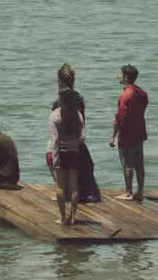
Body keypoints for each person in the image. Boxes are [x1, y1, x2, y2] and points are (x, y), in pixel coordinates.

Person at [47, 63, 101, 203]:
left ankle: (66, 195)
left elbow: (55, 125)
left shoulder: (59, 101)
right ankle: (84, 193)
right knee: (84, 165)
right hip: (77, 138)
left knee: (59, 166)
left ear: (59, 81)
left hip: (63, 141)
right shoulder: (78, 99)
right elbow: (82, 120)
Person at [109, 64, 148, 201]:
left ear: (125, 77)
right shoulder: (142, 93)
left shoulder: (125, 95)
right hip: (139, 132)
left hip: (126, 134)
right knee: (139, 164)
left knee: (127, 164)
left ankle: (129, 192)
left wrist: (112, 135)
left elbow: (120, 117)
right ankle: (140, 191)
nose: (119, 76)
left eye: (120, 74)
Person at [49, 87, 85, 225]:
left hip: (61, 153)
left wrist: (55, 158)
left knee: (60, 186)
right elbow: (82, 137)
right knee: (74, 186)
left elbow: (55, 140)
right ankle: (73, 217)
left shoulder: (55, 116)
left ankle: (63, 218)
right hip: (74, 152)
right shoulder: (77, 115)